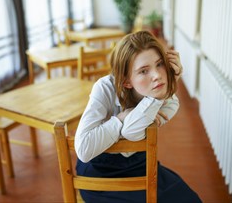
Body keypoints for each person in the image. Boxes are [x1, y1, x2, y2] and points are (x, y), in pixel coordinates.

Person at [74, 31, 202, 203]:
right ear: (126, 81)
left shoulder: (169, 102)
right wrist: (119, 119)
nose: (156, 75)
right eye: (143, 71)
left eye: (159, 64)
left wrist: (161, 94)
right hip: (100, 175)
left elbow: (131, 133)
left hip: (139, 165)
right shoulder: (105, 88)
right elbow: (84, 149)